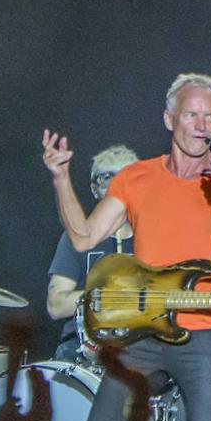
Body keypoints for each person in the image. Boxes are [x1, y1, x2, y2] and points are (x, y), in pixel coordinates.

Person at [42, 73, 211, 421]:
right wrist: (61, 178)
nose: (203, 126)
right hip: (144, 331)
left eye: (210, 117)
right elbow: (83, 237)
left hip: (204, 330)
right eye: (192, 115)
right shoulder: (137, 177)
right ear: (169, 119)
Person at [45, 145, 137, 363]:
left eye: (127, 177)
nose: (118, 185)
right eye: (107, 178)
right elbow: (55, 305)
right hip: (82, 346)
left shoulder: (154, 239)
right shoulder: (76, 237)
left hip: (139, 344)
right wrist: (104, 296)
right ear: (95, 190)